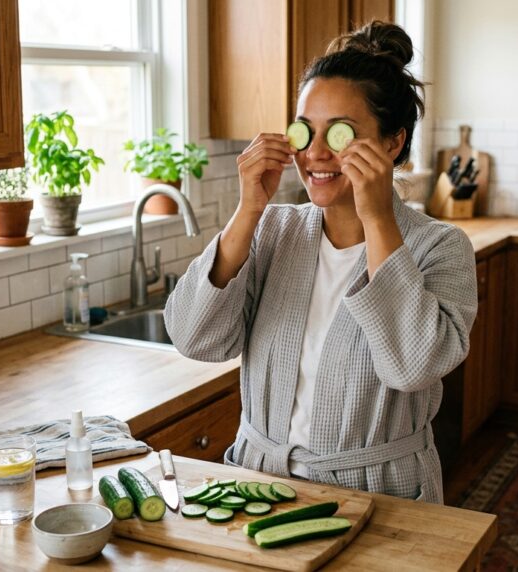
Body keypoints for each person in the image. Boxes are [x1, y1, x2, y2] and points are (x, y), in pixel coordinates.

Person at [165, 21, 477, 504]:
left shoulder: (440, 247)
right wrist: (249, 209)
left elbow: (412, 368)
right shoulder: (274, 230)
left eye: (340, 132)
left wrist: (376, 217)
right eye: (304, 130)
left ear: (393, 143)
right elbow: (193, 337)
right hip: (259, 488)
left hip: (381, 500)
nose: (314, 152)